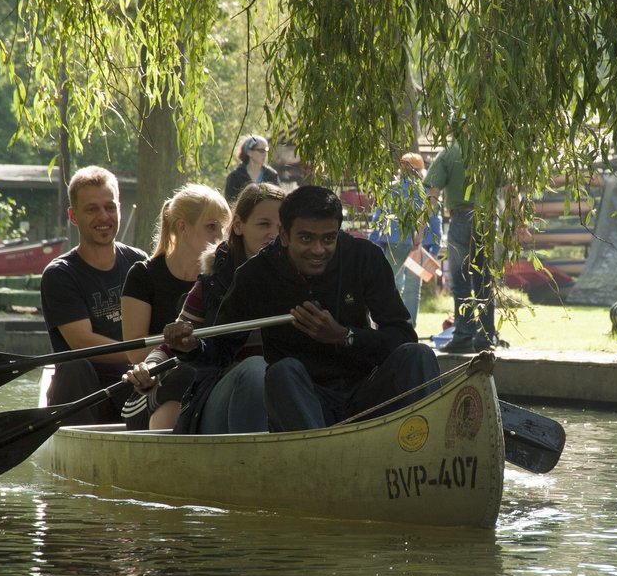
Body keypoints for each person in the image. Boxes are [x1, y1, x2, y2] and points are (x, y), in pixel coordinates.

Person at [165, 184, 440, 432]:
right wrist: (189, 347)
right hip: (303, 399)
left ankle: (424, 456)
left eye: (328, 239)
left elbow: (402, 336)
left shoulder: (364, 257)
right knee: (281, 372)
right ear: (283, 236)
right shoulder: (256, 274)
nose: (318, 250)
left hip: (364, 390)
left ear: (339, 233)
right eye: (306, 239)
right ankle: (316, 461)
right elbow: (220, 351)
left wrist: (345, 336)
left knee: (418, 355)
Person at [140, 182, 284, 434]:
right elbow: (170, 343)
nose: (273, 234)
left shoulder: (298, 276)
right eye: (264, 224)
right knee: (254, 369)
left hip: (282, 393)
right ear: (238, 225)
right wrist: (149, 369)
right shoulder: (213, 280)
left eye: (281, 227)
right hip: (220, 394)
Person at [119, 184, 231, 430]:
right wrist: (181, 347)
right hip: (151, 384)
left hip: (204, 382)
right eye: (211, 227)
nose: (220, 238)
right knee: (184, 373)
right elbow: (136, 353)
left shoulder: (222, 278)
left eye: (224, 229)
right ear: (182, 227)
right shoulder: (143, 275)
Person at [40, 166, 148, 423]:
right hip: (83, 393)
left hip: (133, 384)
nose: (104, 216)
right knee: (76, 366)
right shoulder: (59, 274)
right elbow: (82, 342)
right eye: (92, 209)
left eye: (110, 207)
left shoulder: (139, 262)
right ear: (73, 216)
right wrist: (141, 352)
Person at [425, 141, 496, 353]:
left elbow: (434, 192)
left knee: (461, 278)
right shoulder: (489, 149)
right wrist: (520, 222)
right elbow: (509, 186)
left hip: (461, 218)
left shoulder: (447, 153)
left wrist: (421, 228)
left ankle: (463, 335)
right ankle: (485, 336)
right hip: (487, 219)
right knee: (484, 280)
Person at [367, 152, 442, 329]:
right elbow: (434, 220)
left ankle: (390, 323)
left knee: (392, 283)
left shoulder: (391, 189)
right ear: (420, 171)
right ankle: (409, 325)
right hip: (417, 244)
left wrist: (372, 242)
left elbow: (379, 217)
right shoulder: (427, 192)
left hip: (394, 243)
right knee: (412, 288)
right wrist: (435, 248)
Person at [223, 134, 280, 206]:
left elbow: (278, 201)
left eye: (266, 150)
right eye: (261, 150)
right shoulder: (235, 177)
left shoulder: (272, 175)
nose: (265, 154)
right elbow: (230, 204)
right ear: (249, 152)